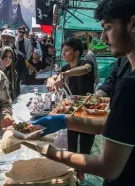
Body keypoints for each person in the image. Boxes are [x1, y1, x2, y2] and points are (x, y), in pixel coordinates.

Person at [31, 0, 135, 185]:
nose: (102, 38)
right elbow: (122, 127)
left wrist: (49, 151)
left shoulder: (132, 85)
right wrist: (65, 121)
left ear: (134, 23)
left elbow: (108, 166)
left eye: (108, 28)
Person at [46, 38, 96, 181]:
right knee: (72, 145)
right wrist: (52, 78)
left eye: (67, 50)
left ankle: (82, 174)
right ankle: (74, 175)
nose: (63, 54)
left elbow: (84, 70)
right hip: (72, 112)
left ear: (76, 52)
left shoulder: (86, 63)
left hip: (88, 112)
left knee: (85, 147)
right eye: (63, 51)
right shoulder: (65, 67)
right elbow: (56, 75)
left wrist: (64, 74)